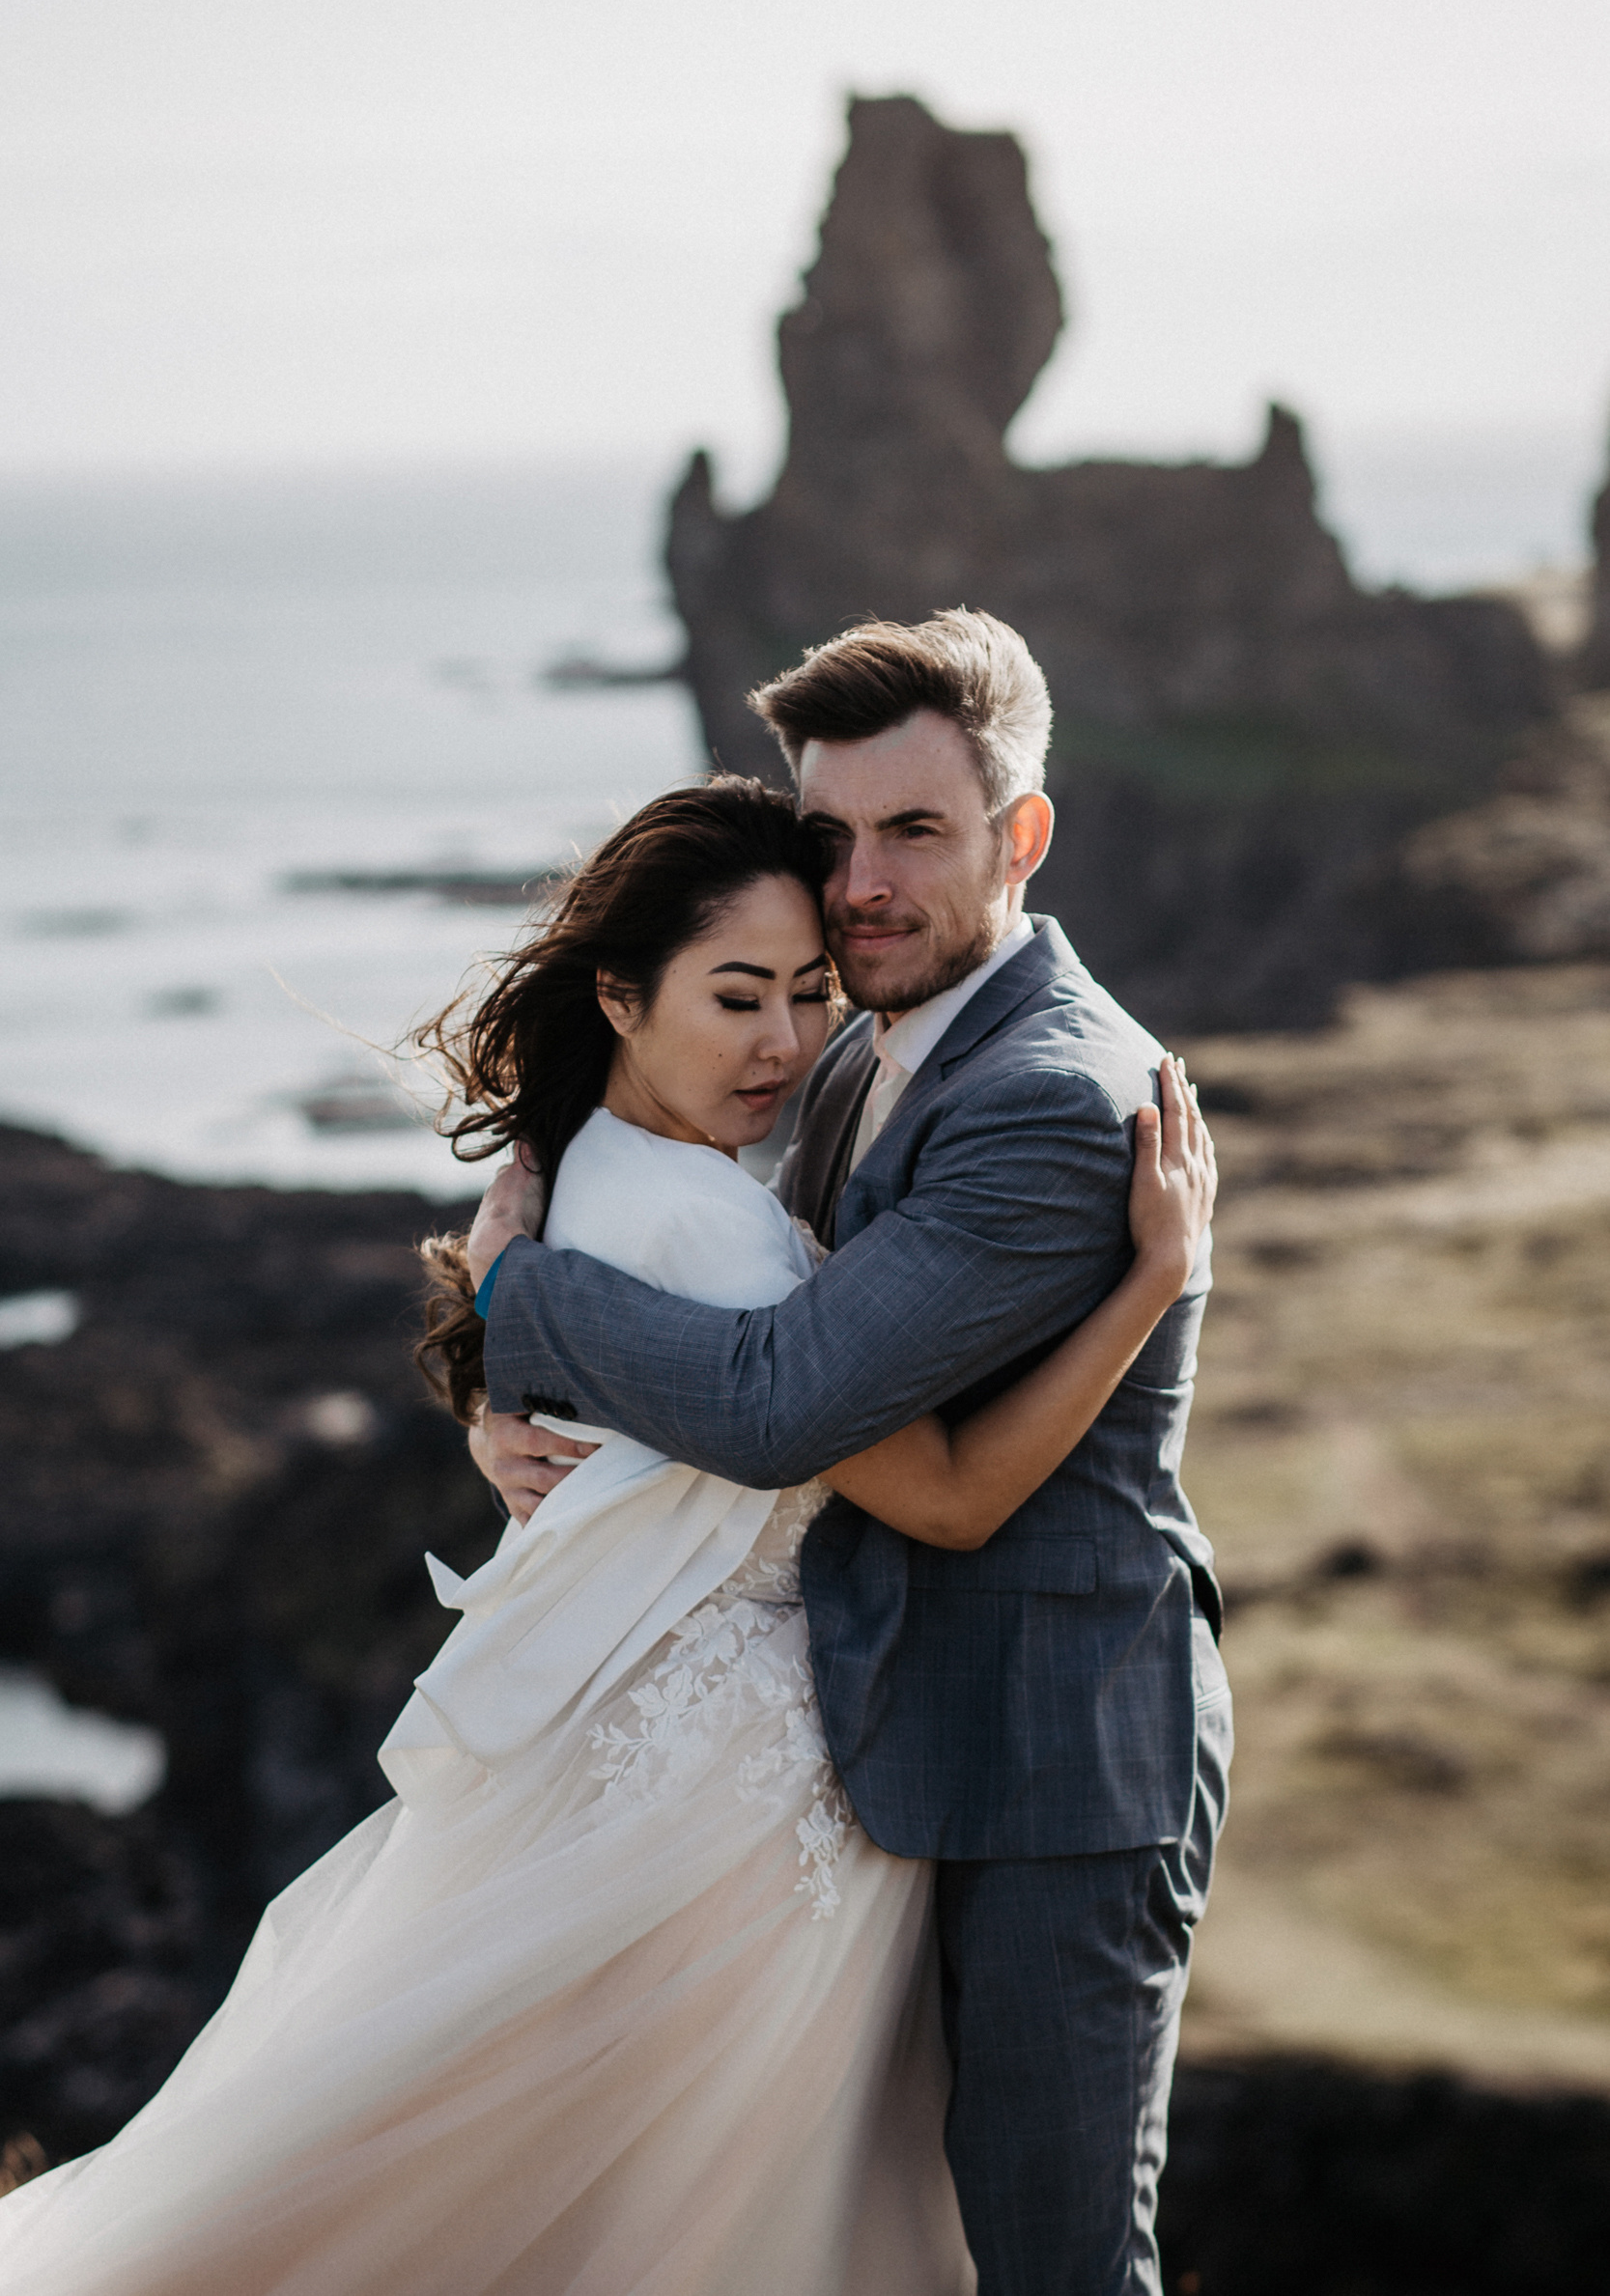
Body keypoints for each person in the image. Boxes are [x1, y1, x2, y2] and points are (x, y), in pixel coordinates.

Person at [0, 771, 1214, 2296]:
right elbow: (956, 1497)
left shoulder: (597, 1165)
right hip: (738, 1807)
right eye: (735, 996)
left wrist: (497, 1368)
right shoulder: (704, 1225)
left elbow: (611, 1377)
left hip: (673, 1751)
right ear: (621, 1000)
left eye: (806, 992)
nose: (781, 1042)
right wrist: (1152, 1285)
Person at [469, 612, 1232, 2296]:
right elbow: (662, 1146)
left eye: (918, 832)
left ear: (1021, 837)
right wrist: (498, 1378)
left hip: (1051, 1769)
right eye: (834, 837)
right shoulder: (852, 1051)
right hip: (885, 1751)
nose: (863, 882)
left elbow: (779, 1402)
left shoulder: (1047, 1093)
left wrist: (520, 1298)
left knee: (1056, 2264)